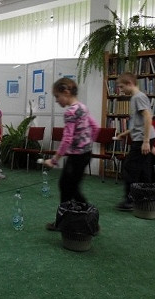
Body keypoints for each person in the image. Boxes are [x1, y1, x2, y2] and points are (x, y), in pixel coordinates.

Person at [43, 78, 99, 231]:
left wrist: (54, 160)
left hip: (76, 157)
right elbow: (95, 127)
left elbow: (67, 139)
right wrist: (88, 144)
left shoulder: (70, 112)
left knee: (68, 187)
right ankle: (86, 220)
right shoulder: (83, 107)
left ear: (66, 92)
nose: (56, 100)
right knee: (72, 187)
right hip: (85, 154)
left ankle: (68, 221)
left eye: (56, 96)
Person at [115, 72, 155, 210]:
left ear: (129, 84)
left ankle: (130, 200)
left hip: (143, 139)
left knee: (129, 168)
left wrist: (145, 141)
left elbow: (148, 118)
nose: (121, 90)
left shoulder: (138, 97)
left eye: (121, 87)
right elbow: (138, 123)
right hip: (144, 137)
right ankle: (146, 200)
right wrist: (124, 133)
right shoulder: (135, 98)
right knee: (144, 170)